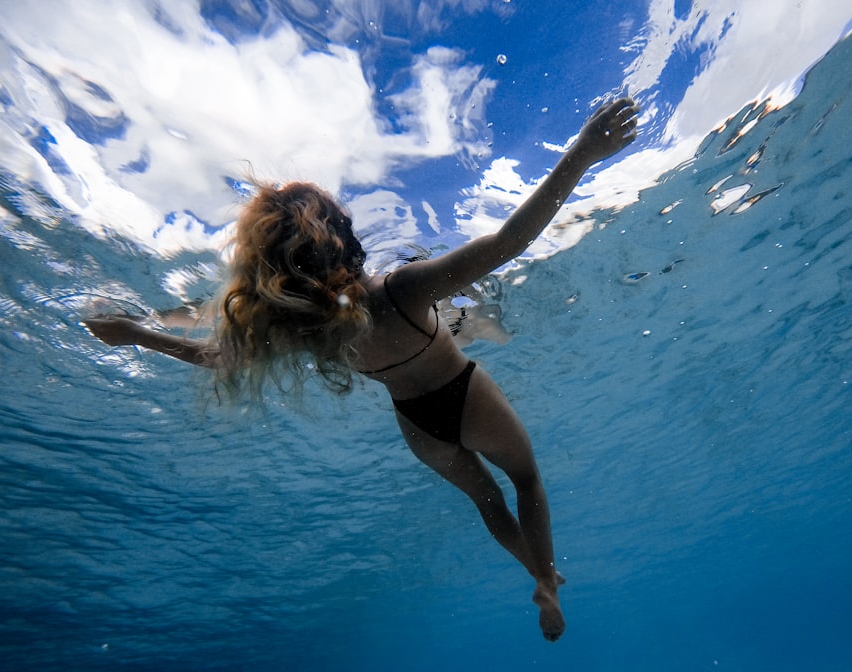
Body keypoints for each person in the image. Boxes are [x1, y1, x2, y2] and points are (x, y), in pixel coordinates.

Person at [85, 98, 639, 641]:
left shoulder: (307, 330)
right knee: (524, 479)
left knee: (486, 500)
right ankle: (546, 579)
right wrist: (583, 153)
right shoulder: (402, 288)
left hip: (418, 427)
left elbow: (216, 357)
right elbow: (508, 242)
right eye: (346, 223)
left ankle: (537, 576)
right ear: (339, 240)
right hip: (463, 392)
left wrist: (138, 334)